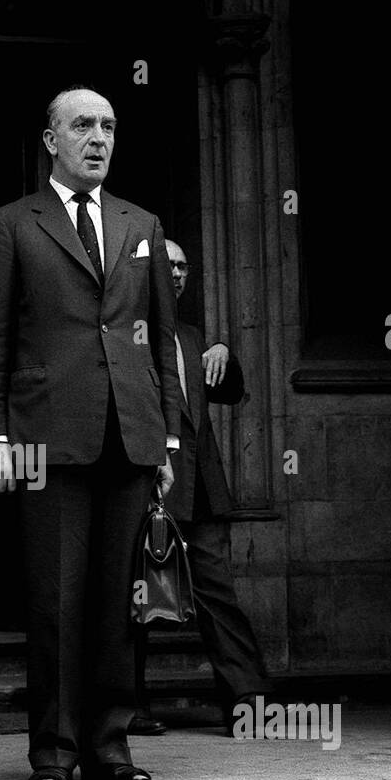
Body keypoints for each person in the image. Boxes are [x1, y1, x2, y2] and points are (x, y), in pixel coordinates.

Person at [0, 86, 181, 780]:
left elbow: (159, 343)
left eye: (109, 126)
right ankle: (54, 753)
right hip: (46, 440)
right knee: (56, 600)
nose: (99, 137)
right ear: (51, 140)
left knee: (119, 602)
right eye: (83, 125)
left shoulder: (140, 222)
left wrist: (169, 445)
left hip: (132, 437)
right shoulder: (13, 226)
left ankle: (109, 747)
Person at [163, 239, 268, 733]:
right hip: (146, 489)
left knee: (218, 597)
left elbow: (229, 392)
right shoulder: (121, 336)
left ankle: (248, 704)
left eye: (184, 266)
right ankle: (128, 709)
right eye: (169, 265)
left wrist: (224, 348)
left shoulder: (191, 337)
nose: (179, 273)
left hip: (200, 490)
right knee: (133, 600)